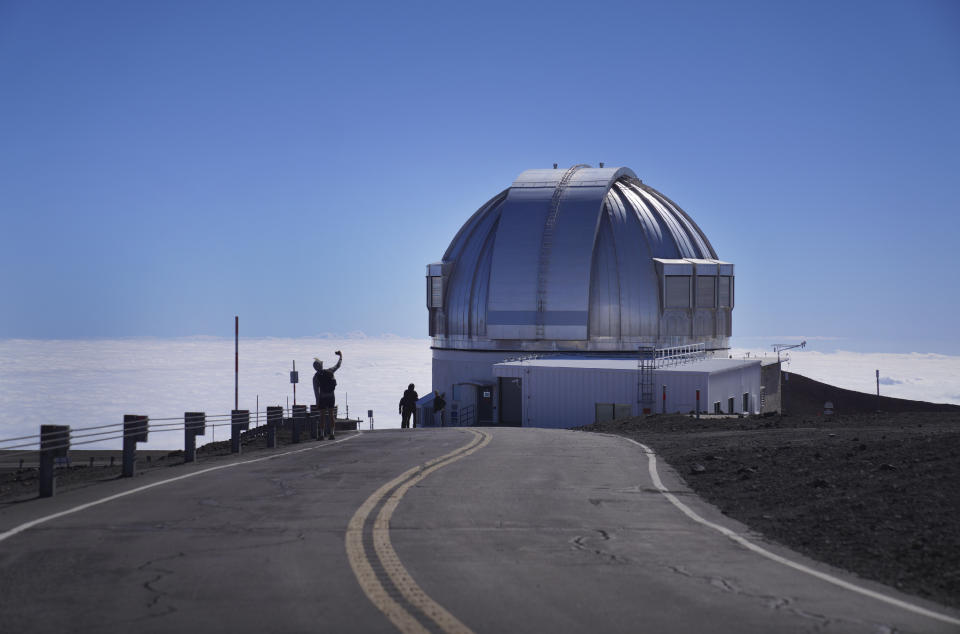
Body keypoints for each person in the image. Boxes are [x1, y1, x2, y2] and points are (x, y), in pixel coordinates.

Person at [313, 351, 342, 439]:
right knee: (331, 415)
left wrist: (317, 401)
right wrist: (341, 356)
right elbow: (338, 365)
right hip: (331, 396)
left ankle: (321, 435)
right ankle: (332, 434)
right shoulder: (330, 371)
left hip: (322, 397)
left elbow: (316, 391)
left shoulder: (315, 377)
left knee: (322, 416)